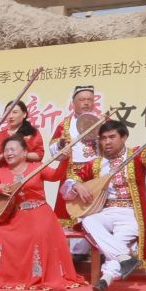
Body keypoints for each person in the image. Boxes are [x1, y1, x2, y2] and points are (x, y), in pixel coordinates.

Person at [61, 117, 146, 291]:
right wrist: (76, 185)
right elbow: (72, 179)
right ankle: (124, 257)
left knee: (118, 240)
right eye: (103, 138)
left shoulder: (137, 155)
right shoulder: (96, 164)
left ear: (124, 137)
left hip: (130, 214)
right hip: (106, 212)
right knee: (88, 221)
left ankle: (106, 279)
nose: (107, 142)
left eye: (112, 137)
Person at [0, 135, 84, 290]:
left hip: (39, 212)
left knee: (38, 233)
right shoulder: (1, 172)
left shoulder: (37, 167)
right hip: (15, 216)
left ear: (24, 152)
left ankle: (37, 276)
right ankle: (8, 277)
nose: (8, 153)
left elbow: (56, 176)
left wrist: (64, 160)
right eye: (6, 150)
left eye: (12, 149)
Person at [50, 85, 99, 232]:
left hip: (96, 174)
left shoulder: (102, 122)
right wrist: (61, 144)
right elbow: (53, 151)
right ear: (73, 103)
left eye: (90, 100)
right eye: (82, 100)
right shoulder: (64, 124)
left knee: (95, 212)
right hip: (71, 174)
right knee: (68, 216)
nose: (86, 103)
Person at [0, 100, 45, 167]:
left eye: (15, 112)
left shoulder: (32, 132)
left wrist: (21, 154)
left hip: (28, 171)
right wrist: (5, 155)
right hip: (5, 171)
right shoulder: (0, 135)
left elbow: (39, 155)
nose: (11, 116)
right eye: (7, 113)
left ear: (24, 114)